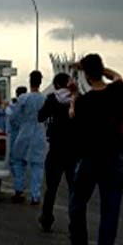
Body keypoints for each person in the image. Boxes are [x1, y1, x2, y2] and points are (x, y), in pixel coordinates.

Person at [62, 54, 123, 245]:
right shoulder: (116, 92)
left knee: (77, 203)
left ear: (86, 76)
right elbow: (117, 77)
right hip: (112, 157)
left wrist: (74, 94)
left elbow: (72, 116)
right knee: (110, 207)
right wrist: (101, 69)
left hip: (90, 157)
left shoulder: (85, 102)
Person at [38, 72, 78, 232]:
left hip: (55, 149)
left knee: (51, 188)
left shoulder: (51, 99)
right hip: (72, 150)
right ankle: (75, 220)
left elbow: (40, 117)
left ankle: (46, 218)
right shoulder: (76, 100)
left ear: (55, 85)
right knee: (73, 188)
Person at [11, 71, 46, 204]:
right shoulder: (44, 99)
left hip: (24, 132)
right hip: (39, 133)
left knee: (18, 161)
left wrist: (20, 125)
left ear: (30, 80)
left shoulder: (23, 98)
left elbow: (14, 117)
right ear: (40, 82)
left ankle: (19, 190)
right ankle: (35, 195)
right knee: (37, 165)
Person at [6, 85, 27, 202]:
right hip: (26, 136)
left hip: (14, 137)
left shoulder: (12, 108)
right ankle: (22, 187)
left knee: (15, 163)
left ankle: (19, 189)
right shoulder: (28, 108)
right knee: (23, 163)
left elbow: (10, 121)